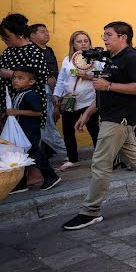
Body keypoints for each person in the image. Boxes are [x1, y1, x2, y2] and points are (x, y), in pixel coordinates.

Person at [62, 21, 136, 230]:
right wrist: (87, 114)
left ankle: (90, 211)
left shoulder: (132, 58)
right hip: (110, 115)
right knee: (133, 158)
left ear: (122, 37)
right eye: (104, 35)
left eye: (108, 35)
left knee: (100, 163)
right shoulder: (110, 58)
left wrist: (110, 85)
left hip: (119, 118)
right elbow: (102, 90)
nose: (104, 39)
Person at [0, 14, 49, 134]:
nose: (5, 40)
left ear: (20, 34)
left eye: (8, 37)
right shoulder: (7, 52)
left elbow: (40, 79)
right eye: (3, 37)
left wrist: (12, 74)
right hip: (4, 108)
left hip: (25, 110)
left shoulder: (34, 53)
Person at [6, 66, 61, 192]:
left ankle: (51, 176)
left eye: (20, 78)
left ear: (31, 82)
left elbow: (38, 113)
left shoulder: (31, 95)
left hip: (30, 130)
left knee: (34, 154)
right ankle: (21, 183)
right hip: (21, 131)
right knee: (21, 156)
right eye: (14, 77)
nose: (15, 80)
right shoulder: (18, 94)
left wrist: (17, 112)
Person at [53, 31, 101, 170]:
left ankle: (100, 159)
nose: (83, 44)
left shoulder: (96, 60)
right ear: (73, 44)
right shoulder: (67, 60)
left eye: (86, 40)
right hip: (70, 100)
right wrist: (56, 94)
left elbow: (103, 76)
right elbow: (62, 80)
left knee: (94, 129)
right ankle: (73, 159)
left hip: (89, 101)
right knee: (68, 130)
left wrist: (87, 76)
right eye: (79, 41)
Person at [30, 23, 67, 157]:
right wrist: (45, 80)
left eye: (47, 31)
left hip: (54, 90)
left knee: (52, 118)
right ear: (32, 35)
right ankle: (65, 152)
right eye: (42, 31)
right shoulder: (30, 51)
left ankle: (46, 151)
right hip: (41, 90)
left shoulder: (49, 50)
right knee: (46, 123)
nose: (46, 34)